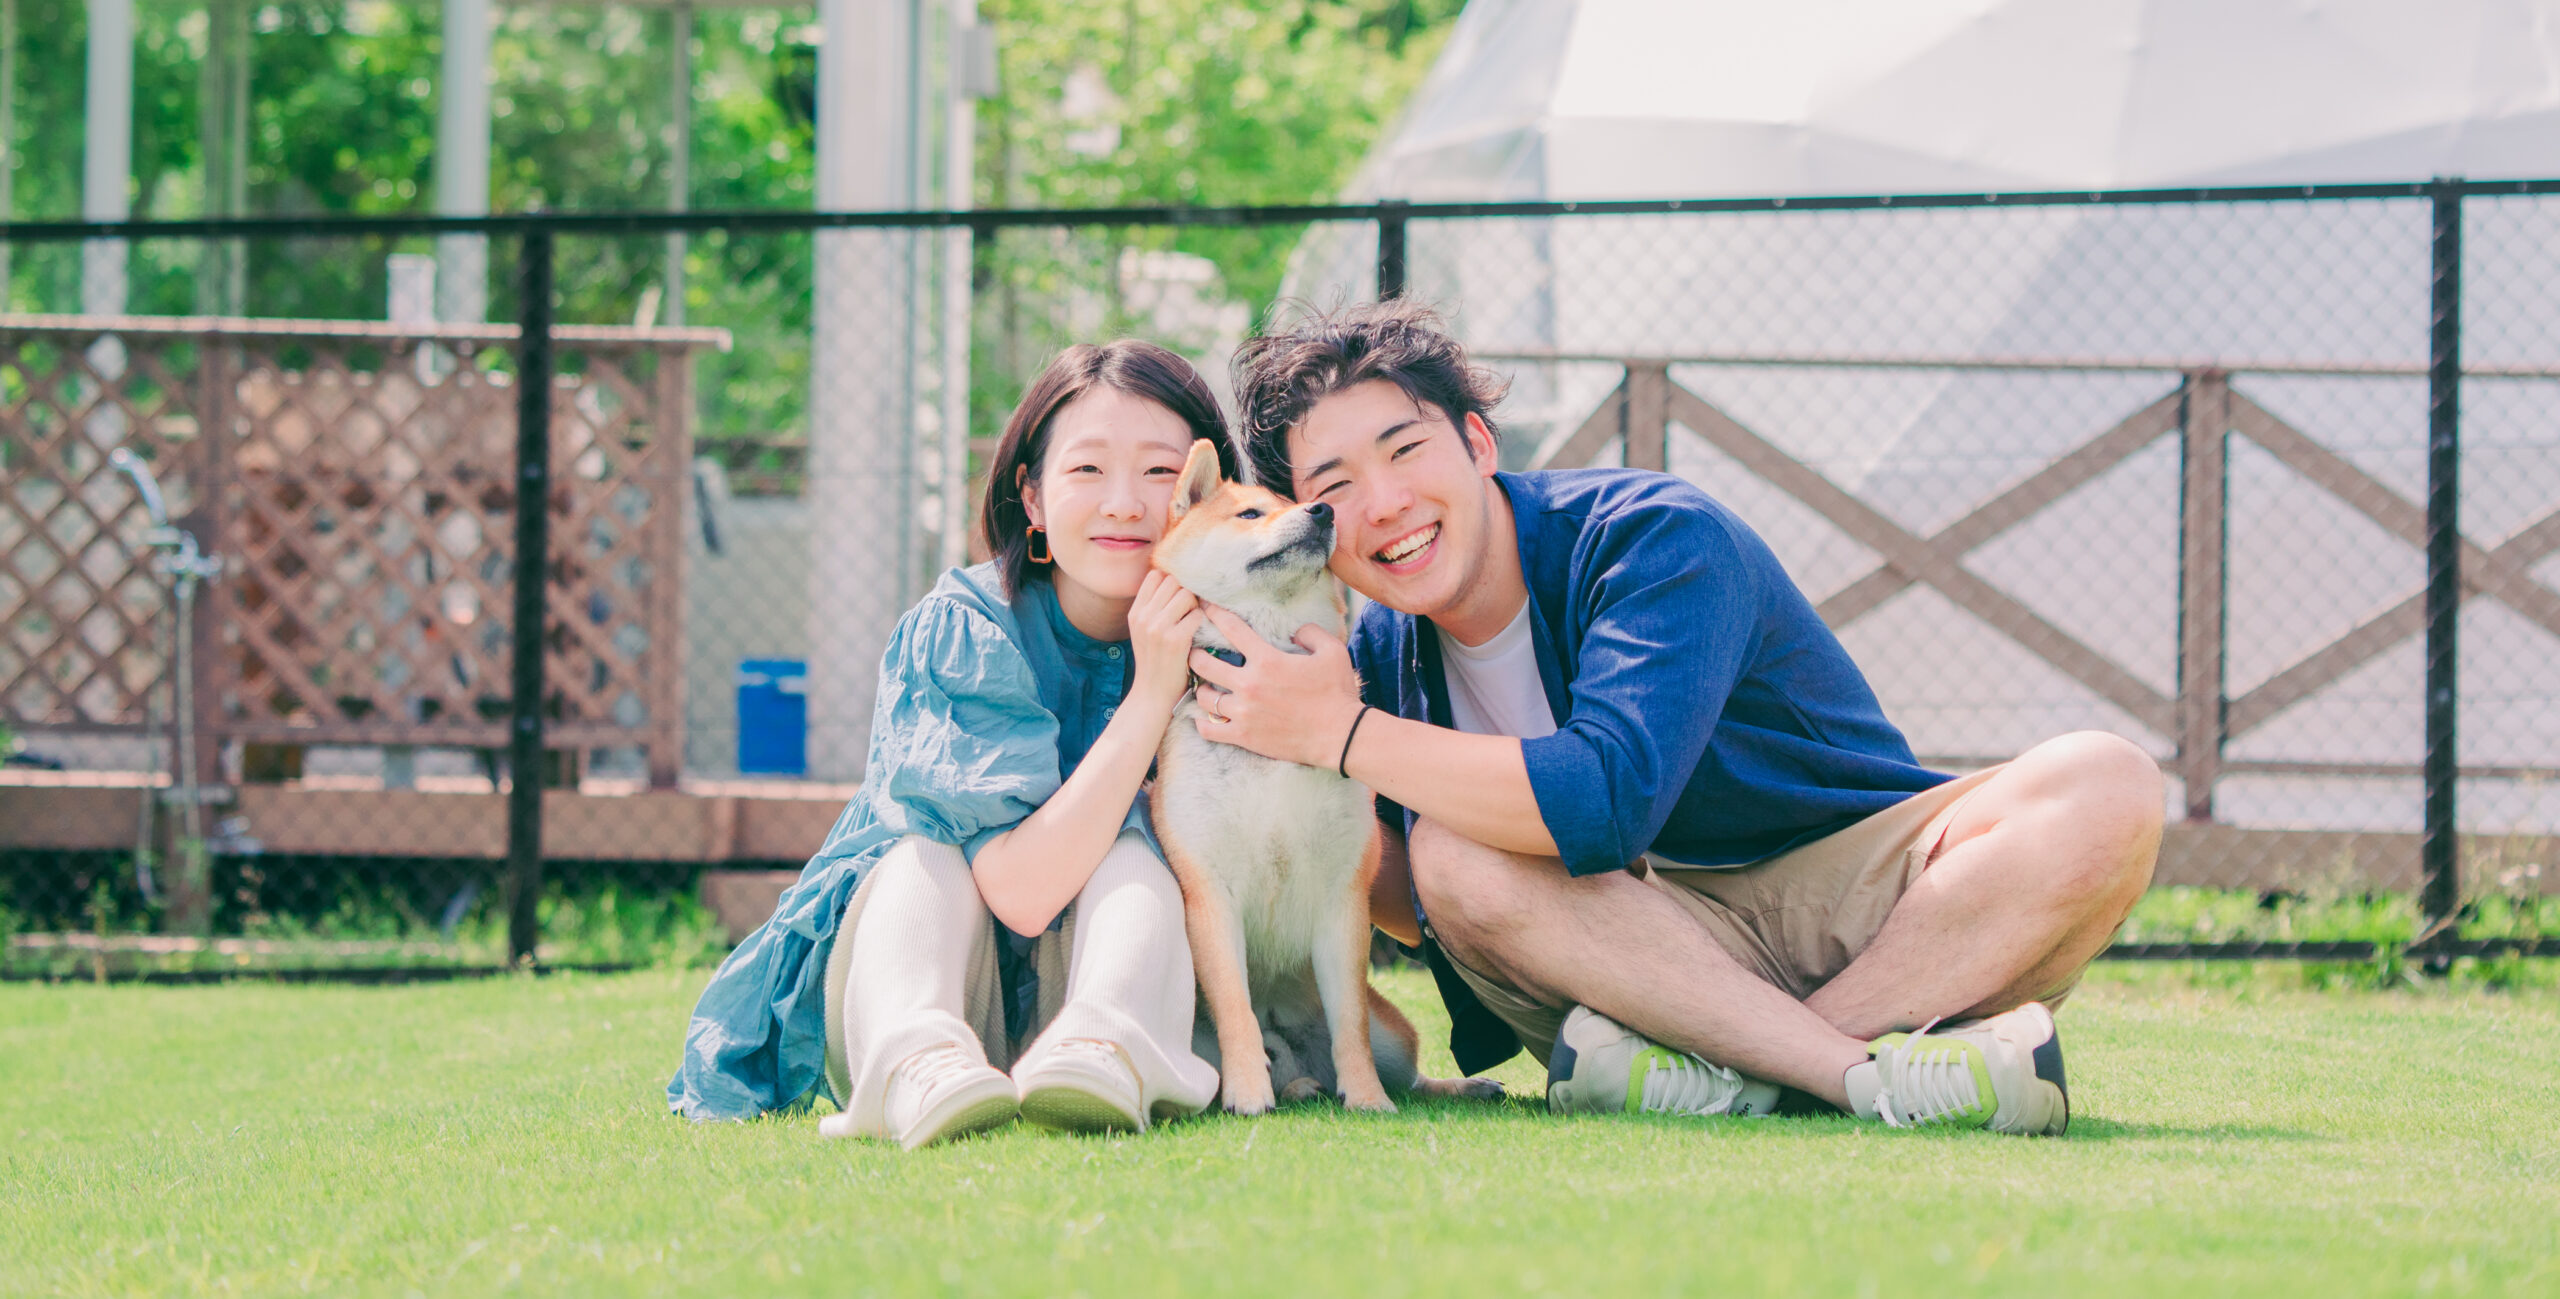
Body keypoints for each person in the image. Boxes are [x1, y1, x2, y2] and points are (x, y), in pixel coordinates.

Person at [1191, 300, 2163, 1135]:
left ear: (1478, 444)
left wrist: (1342, 739)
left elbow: (1605, 802)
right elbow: (1405, 899)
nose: (1386, 505)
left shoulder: (1651, 536)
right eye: (1335, 489)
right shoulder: (1367, 659)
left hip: (1854, 904)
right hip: (1633, 961)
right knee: (1451, 855)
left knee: (2104, 781)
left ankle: (1765, 1081)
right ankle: (1863, 1075)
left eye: (1405, 450)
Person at [668, 342, 1227, 1147]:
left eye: (1161, 474)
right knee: (928, 855)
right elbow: (1020, 890)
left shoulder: (1237, 635)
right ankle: (919, 1062)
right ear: (1031, 497)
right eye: (1087, 471)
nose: (1126, 504)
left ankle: (1109, 1045)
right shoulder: (967, 626)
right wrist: (1151, 694)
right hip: (915, 978)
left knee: (1131, 855)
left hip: (1107, 996)